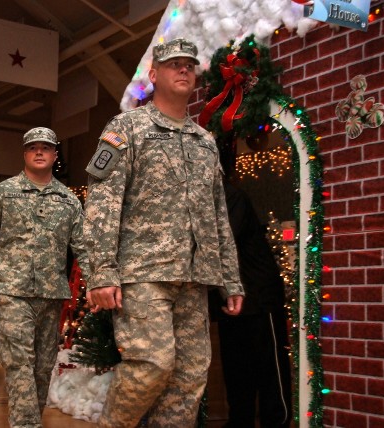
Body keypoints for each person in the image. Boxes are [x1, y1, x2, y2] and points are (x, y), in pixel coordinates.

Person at [83, 38, 245, 428]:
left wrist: (232, 279)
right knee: (151, 365)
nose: (183, 69)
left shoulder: (204, 141)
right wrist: (101, 271)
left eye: (189, 63)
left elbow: (218, 215)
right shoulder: (127, 127)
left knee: (189, 376)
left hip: (194, 277)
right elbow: (102, 201)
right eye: (173, 63)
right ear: (154, 75)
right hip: (143, 273)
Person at [0, 127, 89, 428]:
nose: (39, 151)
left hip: (50, 296)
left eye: (45, 147)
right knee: (19, 363)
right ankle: (26, 425)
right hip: (13, 292)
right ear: (24, 153)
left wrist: (98, 284)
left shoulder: (69, 200)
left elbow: (84, 248)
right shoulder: (3, 193)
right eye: (32, 147)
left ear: (54, 155)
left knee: (43, 366)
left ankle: (30, 419)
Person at [208, 182, 292, 428]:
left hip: (258, 296)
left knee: (269, 371)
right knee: (236, 372)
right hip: (227, 303)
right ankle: (239, 422)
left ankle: (276, 422)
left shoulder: (231, 196)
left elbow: (223, 243)